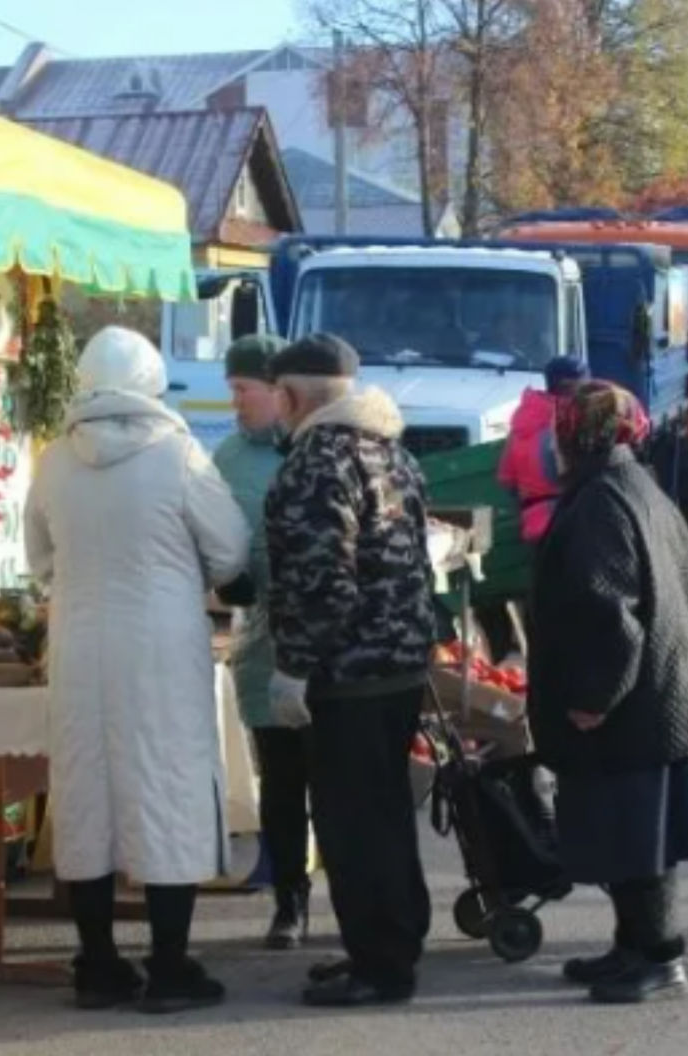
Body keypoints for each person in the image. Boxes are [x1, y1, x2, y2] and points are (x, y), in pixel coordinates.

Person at [24, 326, 250, 1013]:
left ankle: (97, 963)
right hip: (159, 645)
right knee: (167, 788)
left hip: (80, 643)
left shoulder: (55, 462)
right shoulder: (177, 455)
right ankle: (171, 966)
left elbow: (39, 562)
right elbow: (233, 549)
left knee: (87, 793)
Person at [531, 380, 688, 1005]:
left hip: (633, 704)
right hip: (662, 692)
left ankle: (660, 959)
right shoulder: (637, 487)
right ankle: (630, 946)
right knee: (629, 836)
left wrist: (593, 697)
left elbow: (608, 611)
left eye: (557, 431)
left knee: (639, 840)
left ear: (576, 436)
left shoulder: (601, 501)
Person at [265, 333, 435, 1007]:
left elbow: (321, 585)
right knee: (385, 813)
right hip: (398, 665)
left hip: (349, 673)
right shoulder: (387, 449)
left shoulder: (317, 463)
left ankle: (382, 965)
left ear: (290, 395)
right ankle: (389, 943)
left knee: (351, 825)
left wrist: (293, 669)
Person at [207, 333, 310, 950]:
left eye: (243, 390)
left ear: (280, 391)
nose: (236, 403)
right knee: (281, 779)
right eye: (233, 390)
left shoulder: (314, 449)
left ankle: (354, 903)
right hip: (264, 643)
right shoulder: (226, 460)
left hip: (326, 647)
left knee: (334, 780)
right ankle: (289, 901)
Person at [498, 357, 588, 545]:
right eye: (583, 385)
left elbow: (506, 479)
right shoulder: (569, 422)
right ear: (567, 386)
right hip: (569, 524)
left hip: (534, 525)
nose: (587, 392)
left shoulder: (522, 423)